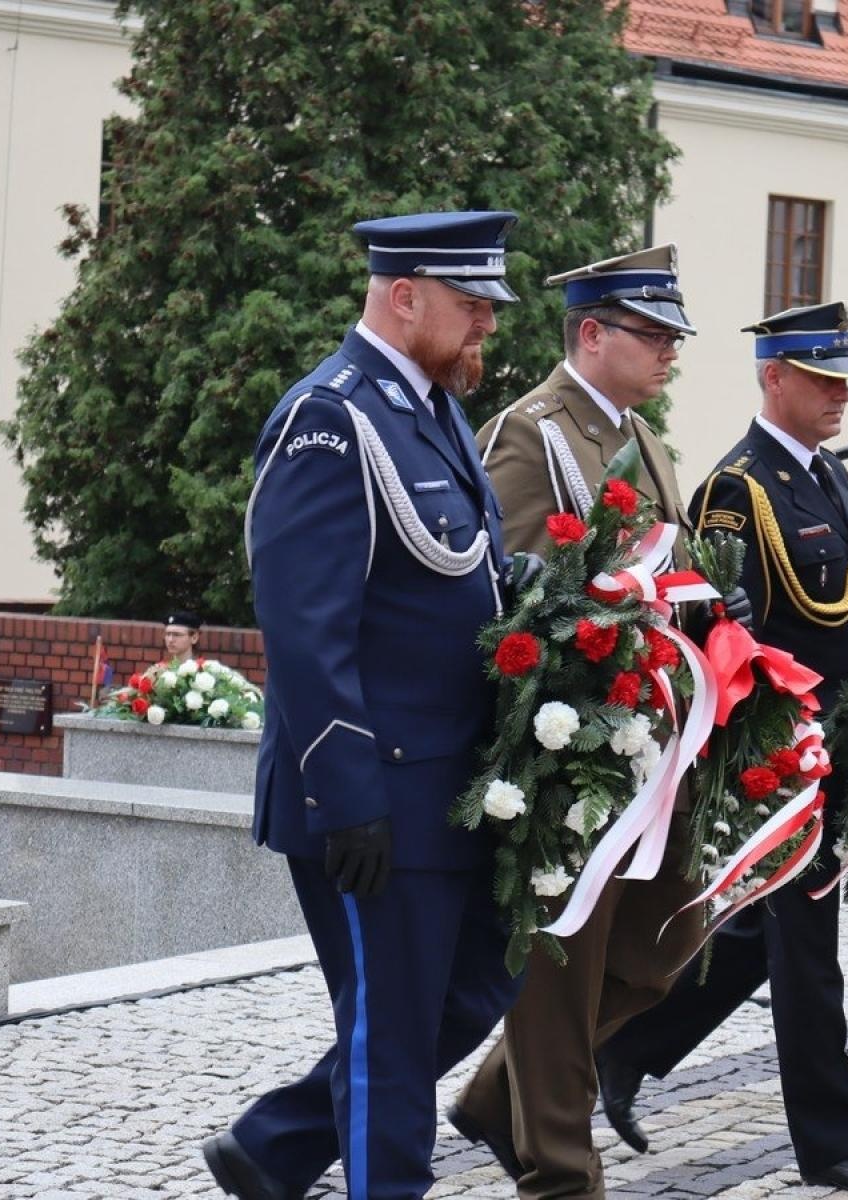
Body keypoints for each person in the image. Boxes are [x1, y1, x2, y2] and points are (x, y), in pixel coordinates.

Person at [203, 211, 530, 1200]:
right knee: (391, 1037)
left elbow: (467, 576)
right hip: (371, 792)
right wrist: (348, 800)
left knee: (475, 988)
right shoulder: (329, 420)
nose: (486, 323)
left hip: (449, 785)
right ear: (405, 296)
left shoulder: (432, 410)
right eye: (470, 304)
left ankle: (275, 1145)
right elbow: (305, 630)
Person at [594, 302, 848, 1196]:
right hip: (779, 753)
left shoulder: (827, 476)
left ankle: (621, 1046)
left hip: (836, 739)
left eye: (844, 380)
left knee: (758, 934)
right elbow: (723, 636)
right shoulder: (737, 490)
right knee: (806, 954)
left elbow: (845, 611)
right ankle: (836, 1144)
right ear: (773, 377)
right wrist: (773, 752)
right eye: (822, 379)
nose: (840, 396)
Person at [449, 245, 717, 1200]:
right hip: (574, 748)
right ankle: (561, 1176)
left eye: (674, 336)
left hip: (652, 740)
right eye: (653, 333)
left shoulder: (644, 439)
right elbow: (512, 600)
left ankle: (497, 1098)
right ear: (592, 333)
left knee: (664, 946)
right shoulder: (532, 434)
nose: (670, 350)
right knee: (562, 971)